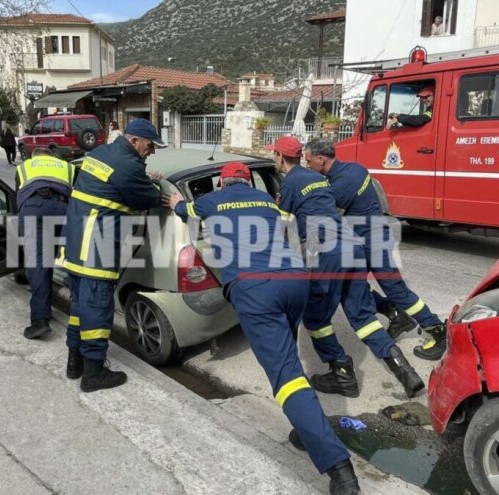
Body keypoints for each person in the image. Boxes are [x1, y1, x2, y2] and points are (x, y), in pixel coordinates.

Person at [166, 161, 361, 495]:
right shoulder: (268, 201)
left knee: (286, 377)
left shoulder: (212, 200)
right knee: (289, 360)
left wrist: (169, 197)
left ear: (224, 183)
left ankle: (339, 470)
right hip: (295, 282)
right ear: (249, 182)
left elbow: (181, 208)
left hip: (256, 289)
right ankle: (307, 427)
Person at [270, 136, 424, 398]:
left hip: (327, 252)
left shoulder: (291, 182)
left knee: (316, 319)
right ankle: (406, 372)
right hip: (351, 246)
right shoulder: (319, 179)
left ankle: (342, 374)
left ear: (279, 156)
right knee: (364, 318)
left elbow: (282, 229)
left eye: (273, 154)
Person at [304, 137, 447, 360]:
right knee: (352, 286)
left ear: (321, 159)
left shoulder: (340, 185)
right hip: (370, 238)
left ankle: (437, 330)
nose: (308, 166)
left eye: (309, 161)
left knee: (396, 289)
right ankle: (396, 314)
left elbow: (328, 222)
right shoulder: (355, 168)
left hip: (372, 243)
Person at [61, 118, 163, 392]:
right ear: (134, 141)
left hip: (76, 243)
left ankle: (75, 363)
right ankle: (93, 373)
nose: (151, 152)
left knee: (80, 307)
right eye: (150, 146)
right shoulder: (128, 165)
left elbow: (119, 182)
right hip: (97, 248)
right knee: (97, 309)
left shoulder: (101, 152)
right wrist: (152, 185)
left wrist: (142, 175)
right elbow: (146, 199)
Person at [16, 147, 75, 340]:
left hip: (34, 209)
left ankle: (40, 321)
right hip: (63, 209)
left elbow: (16, 196)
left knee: (39, 264)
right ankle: (82, 314)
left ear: (35, 157)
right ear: (52, 157)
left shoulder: (25, 166)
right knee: (70, 262)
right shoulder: (67, 167)